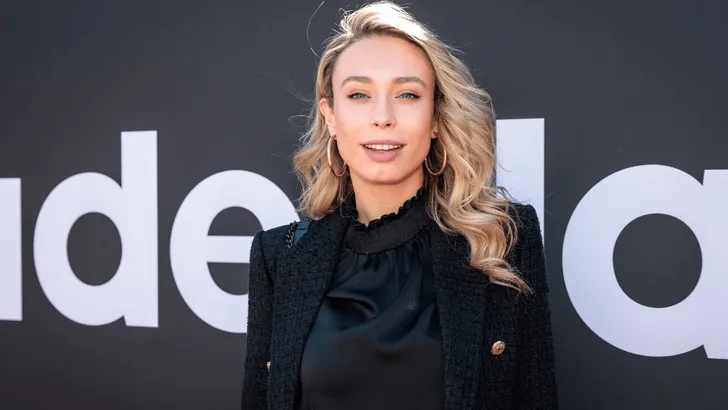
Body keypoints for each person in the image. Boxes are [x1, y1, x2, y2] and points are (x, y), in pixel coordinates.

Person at [241, 1, 557, 409]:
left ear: (436, 117)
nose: (383, 116)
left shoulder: (502, 239)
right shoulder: (279, 258)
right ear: (330, 116)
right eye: (359, 94)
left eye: (407, 94)